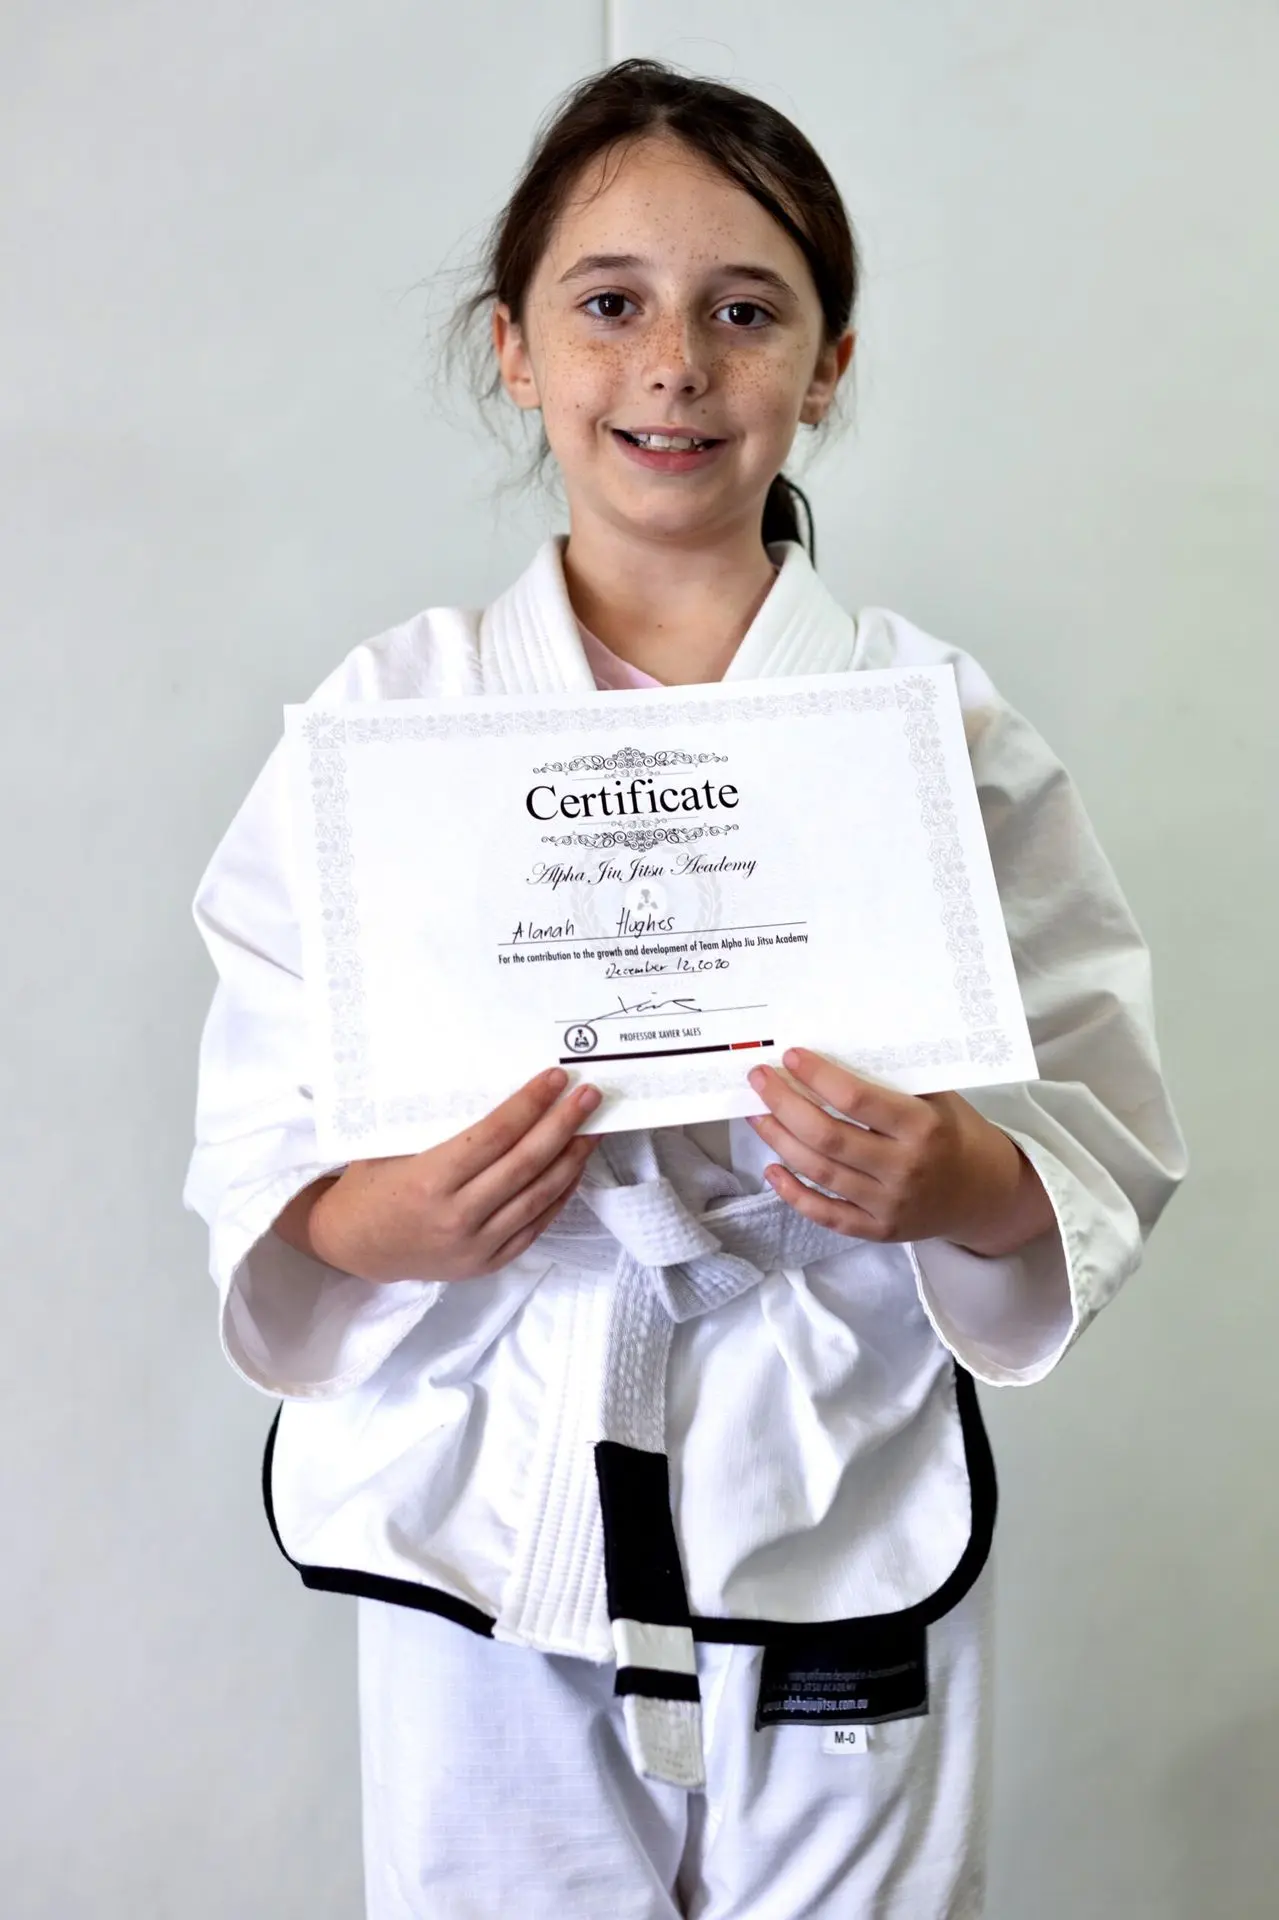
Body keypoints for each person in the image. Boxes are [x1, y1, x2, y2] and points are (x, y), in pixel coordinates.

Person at [183, 57, 1187, 1920]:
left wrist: (957, 1180)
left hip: (826, 1461)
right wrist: (385, 1218)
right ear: (513, 348)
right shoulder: (384, 727)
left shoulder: (938, 732)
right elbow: (259, 1138)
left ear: (827, 365)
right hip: (478, 1475)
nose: (673, 365)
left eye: (745, 312)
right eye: (609, 304)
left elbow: (1098, 1124)